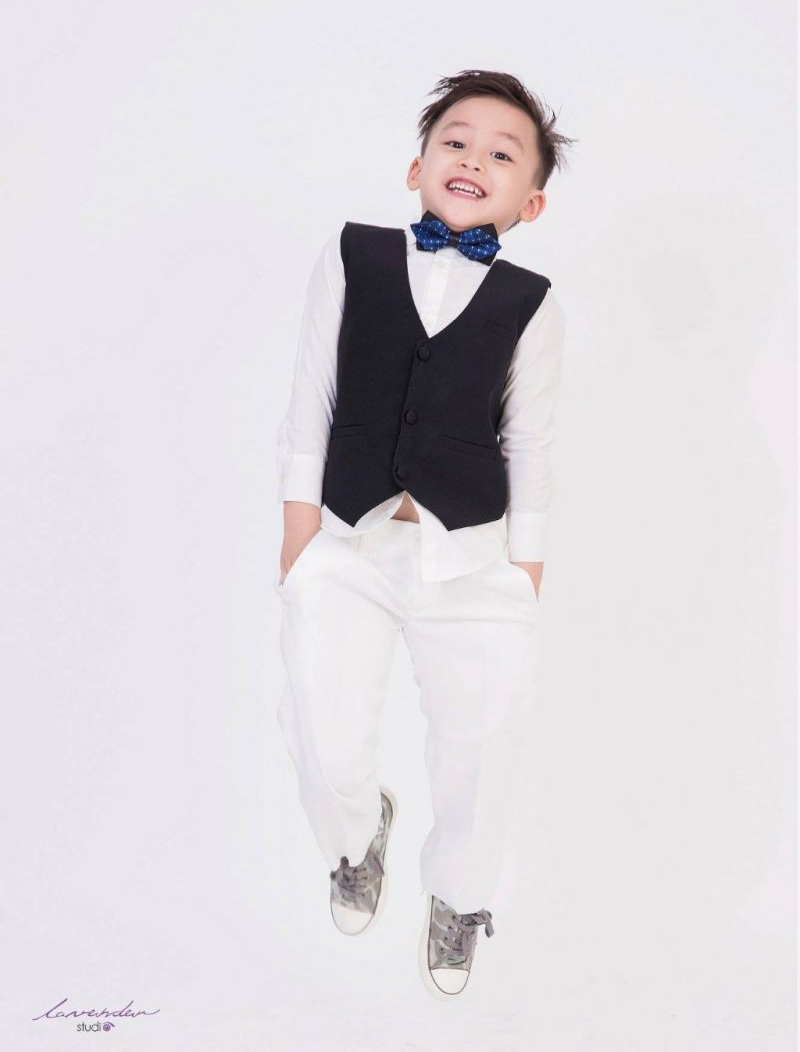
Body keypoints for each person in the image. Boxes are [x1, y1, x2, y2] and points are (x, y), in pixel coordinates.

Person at [273, 68, 574, 999]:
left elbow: (529, 442)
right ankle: (357, 837)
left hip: (473, 562)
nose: (473, 158)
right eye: (456, 140)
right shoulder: (352, 256)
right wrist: (298, 539)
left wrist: (524, 572)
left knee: (480, 756)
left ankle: (458, 895)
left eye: (502, 153)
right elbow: (312, 398)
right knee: (321, 734)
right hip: (347, 543)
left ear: (531, 202)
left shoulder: (532, 303)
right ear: (417, 167)